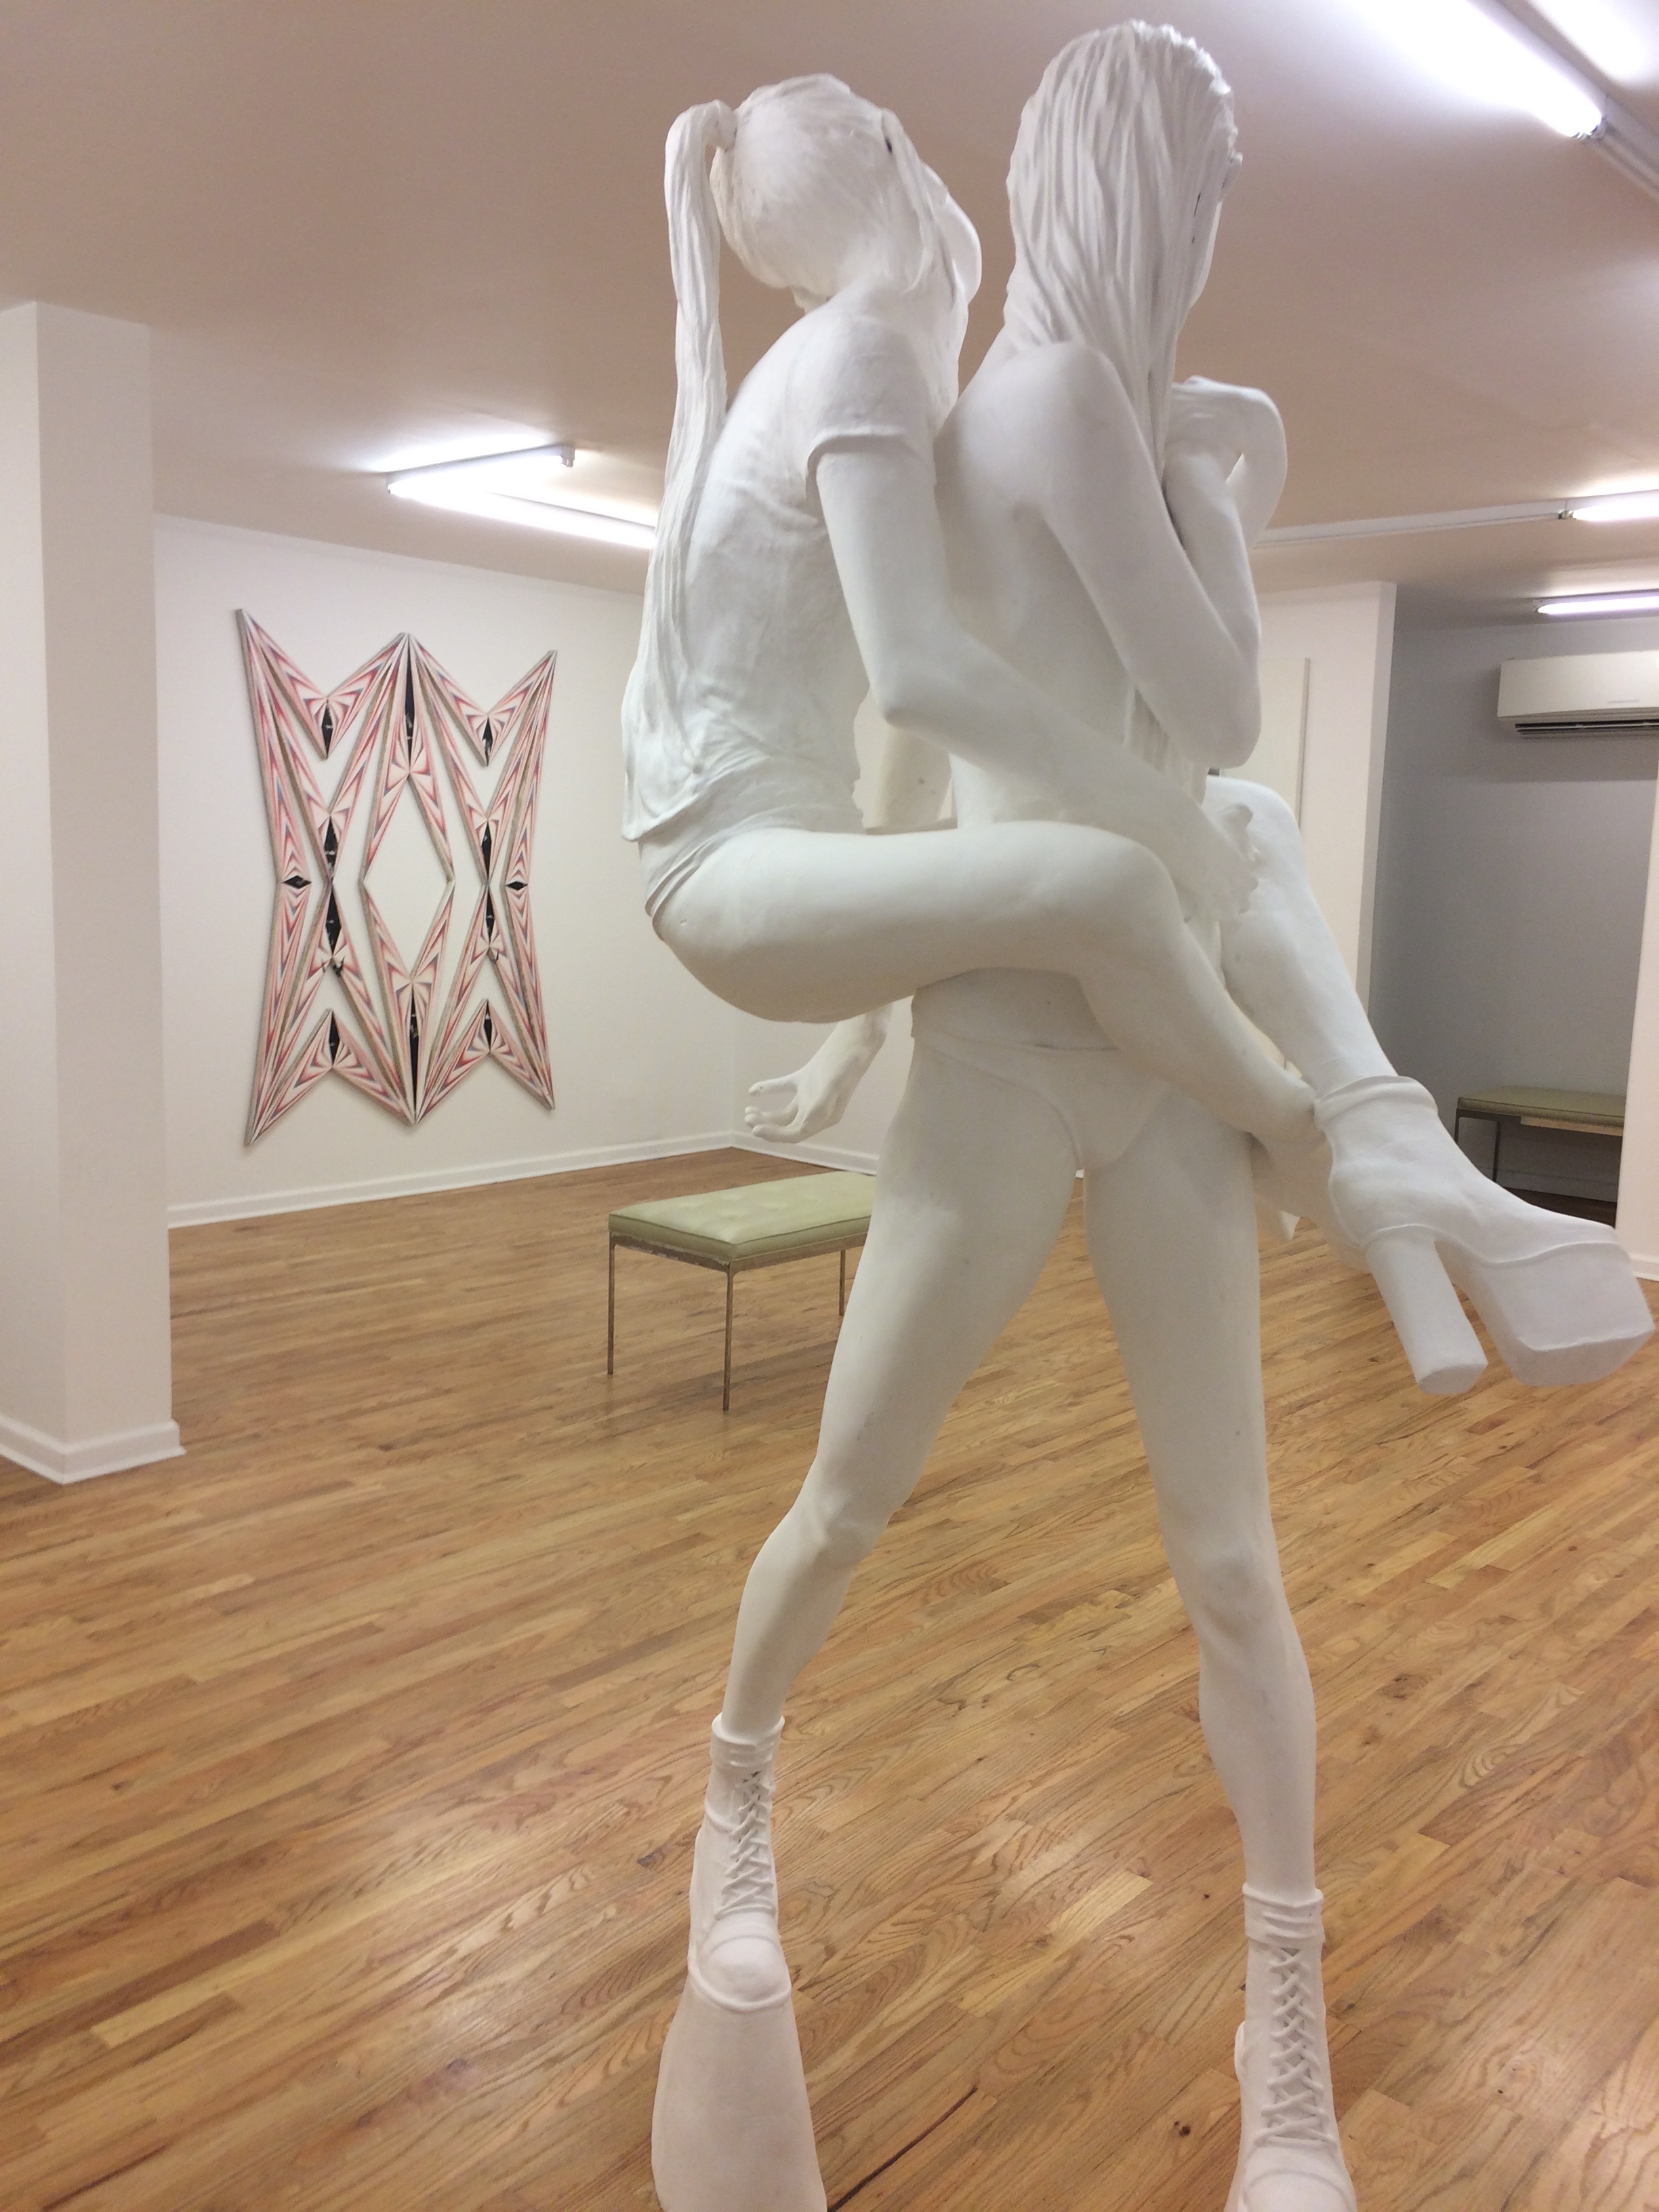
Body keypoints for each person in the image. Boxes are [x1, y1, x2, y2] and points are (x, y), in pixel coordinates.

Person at [655, 28, 1654, 2212]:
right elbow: (1178, 712)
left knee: (1230, 1562)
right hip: (1011, 1055)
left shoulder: (1063, 413)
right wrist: (1229, 497)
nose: (1215, 220)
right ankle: (732, 1791)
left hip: (1163, 1075)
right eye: (1206, 180)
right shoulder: (1023, 412)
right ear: (1145, 188)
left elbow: (1051, 755)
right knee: (849, 1494)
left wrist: (1220, 473)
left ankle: (1282, 2039)